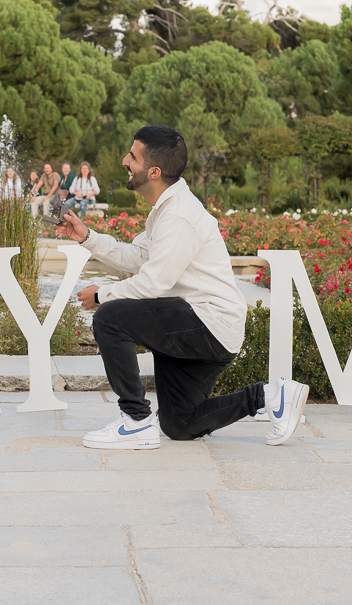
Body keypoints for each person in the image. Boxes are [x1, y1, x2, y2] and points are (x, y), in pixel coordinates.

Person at [57, 125, 308, 450]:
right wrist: (88, 237)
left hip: (207, 324)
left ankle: (134, 421)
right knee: (180, 423)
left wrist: (101, 296)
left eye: (132, 156)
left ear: (154, 171)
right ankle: (271, 396)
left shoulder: (178, 216)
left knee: (109, 317)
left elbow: (152, 283)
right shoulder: (168, 209)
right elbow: (140, 257)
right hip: (202, 327)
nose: (124, 161)